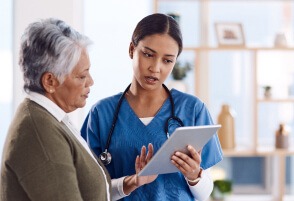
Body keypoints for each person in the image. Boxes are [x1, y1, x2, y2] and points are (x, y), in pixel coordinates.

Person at [0, 18, 156, 201]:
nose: (90, 82)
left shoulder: (49, 119)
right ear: (50, 81)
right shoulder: (40, 133)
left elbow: (87, 191)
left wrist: (132, 182)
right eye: (82, 76)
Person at [81, 13, 223, 201]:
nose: (155, 68)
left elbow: (206, 192)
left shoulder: (193, 110)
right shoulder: (101, 114)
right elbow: (90, 189)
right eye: (148, 55)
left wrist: (194, 175)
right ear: (132, 49)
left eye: (167, 60)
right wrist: (131, 182)